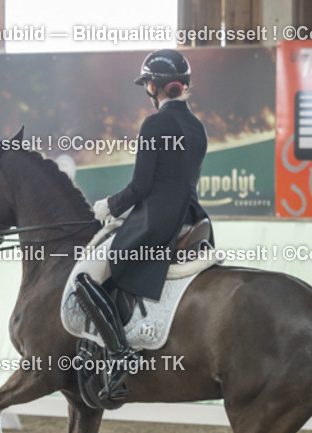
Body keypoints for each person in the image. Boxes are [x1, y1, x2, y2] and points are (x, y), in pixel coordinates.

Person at [72, 49, 211, 402]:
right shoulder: (196, 126)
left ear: (154, 87)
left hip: (156, 222)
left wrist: (110, 206)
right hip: (191, 217)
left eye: (148, 83)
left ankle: (119, 354)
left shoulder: (155, 124)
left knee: (86, 279)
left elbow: (142, 186)